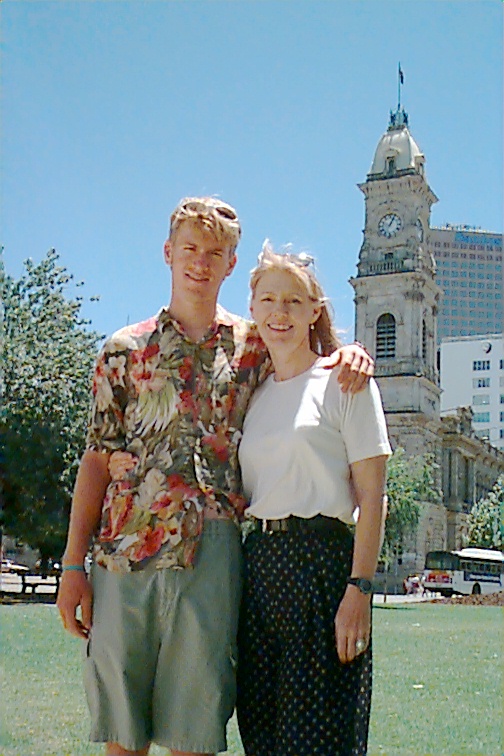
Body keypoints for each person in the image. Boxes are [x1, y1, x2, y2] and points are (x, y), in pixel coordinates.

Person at [56, 197, 374, 756]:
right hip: (125, 556)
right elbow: (96, 461)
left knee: (194, 733)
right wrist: (72, 565)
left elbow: (306, 361)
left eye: (214, 252)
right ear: (167, 253)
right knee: (122, 735)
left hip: (213, 560)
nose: (200, 263)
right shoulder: (123, 351)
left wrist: (351, 354)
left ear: (231, 264)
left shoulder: (252, 346)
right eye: (189, 249)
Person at [236, 241, 392, 756]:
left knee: (320, 737)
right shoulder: (252, 394)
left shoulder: (345, 382)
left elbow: (373, 496)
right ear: (253, 307)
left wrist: (359, 590)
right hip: (259, 568)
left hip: (322, 567)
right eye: (268, 300)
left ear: (314, 311)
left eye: (294, 301)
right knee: (262, 732)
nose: (279, 312)